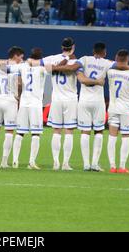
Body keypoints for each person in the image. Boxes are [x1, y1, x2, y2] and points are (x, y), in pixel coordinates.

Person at [28, 38, 104, 170]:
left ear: (62, 47)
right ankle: (65, 163)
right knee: (69, 132)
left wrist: (52, 67)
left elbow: (32, 63)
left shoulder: (51, 58)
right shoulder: (77, 61)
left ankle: (56, 162)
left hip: (56, 99)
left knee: (56, 132)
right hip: (71, 99)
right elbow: (78, 76)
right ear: (73, 47)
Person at [76, 42, 129, 172]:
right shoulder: (107, 63)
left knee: (85, 132)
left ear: (93, 51)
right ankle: (95, 164)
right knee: (98, 131)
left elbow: (81, 78)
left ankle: (86, 164)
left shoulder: (84, 59)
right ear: (104, 52)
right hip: (98, 101)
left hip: (84, 100)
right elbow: (121, 65)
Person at [0, 46, 25, 168]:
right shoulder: (17, 68)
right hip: (10, 100)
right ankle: (4, 161)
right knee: (9, 132)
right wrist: (19, 96)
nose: (22, 60)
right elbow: (18, 83)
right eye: (21, 57)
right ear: (16, 55)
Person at [9, 48, 47, 170]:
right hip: (35, 104)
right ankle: (31, 162)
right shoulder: (42, 68)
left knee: (20, 133)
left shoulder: (22, 66)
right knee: (35, 134)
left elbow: (6, 69)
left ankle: (15, 160)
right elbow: (55, 69)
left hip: (24, 103)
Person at [107, 49, 129, 174]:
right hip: (126, 109)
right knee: (126, 137)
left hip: (113, 108)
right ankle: (122, 167)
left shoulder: (110, 71)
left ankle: (112, 166)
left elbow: (112, 64)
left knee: (112, 137)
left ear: (116, 58)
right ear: (128, 59)